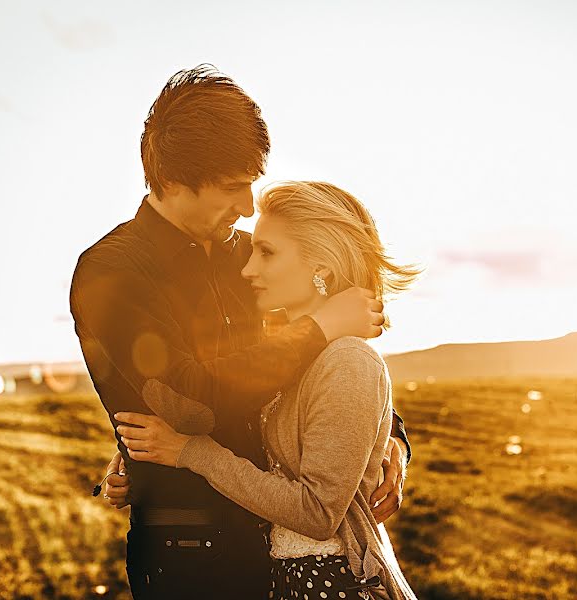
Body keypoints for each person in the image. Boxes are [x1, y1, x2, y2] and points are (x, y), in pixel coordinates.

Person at [69, 66, 412, 599]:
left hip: (283, 544)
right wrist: (318, 328)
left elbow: (328, 370)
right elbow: (190, 403)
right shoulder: (112, 273)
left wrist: (387, 436)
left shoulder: (249, 256)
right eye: (232, 188)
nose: (248, 206)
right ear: (174, 183)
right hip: (193, 554)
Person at [115, 181, 420, 600]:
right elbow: (236, 406)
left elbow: (317, 513)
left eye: (267, 253)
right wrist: (142, 465)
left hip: (335, 585)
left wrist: (192, 452)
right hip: (291, 580)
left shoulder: (348, 360)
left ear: (322, 269)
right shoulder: (292, 357)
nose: (247, 269)